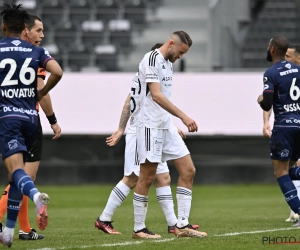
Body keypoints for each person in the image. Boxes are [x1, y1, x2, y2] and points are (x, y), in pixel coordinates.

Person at [95, 43, 198, 236]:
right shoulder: (144, 76)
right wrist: (121, 129)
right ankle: (104, 219)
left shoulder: (151, 78)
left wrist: (171, 127)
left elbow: (151, 106)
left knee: (164, 177)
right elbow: (133, 104)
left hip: (155, 130)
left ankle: (174, 224)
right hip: (140, 131)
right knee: (134, 178)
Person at [132, 31, 207, 239]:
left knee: (188, 170)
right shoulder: (151, 59)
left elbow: (163, 98)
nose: (180, 56)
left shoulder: (168, 63)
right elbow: (155, 95)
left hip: (165, 126)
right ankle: (138, 228)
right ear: (172, 43)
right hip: (149, 126)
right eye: (180, 52)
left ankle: (181, 225)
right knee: (146, 177)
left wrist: (172, 124)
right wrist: (183, 116)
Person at [0, 4, 63, 247]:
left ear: (4, 26)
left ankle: (36, 197)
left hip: (9, 119)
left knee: (17, 173)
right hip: (30, 118)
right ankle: (10, 232)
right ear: (24, 29)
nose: (42, 35)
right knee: (19, 178)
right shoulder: (35, 51)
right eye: (38, 30)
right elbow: (57, 71)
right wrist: (42, 93)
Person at [257, 36, 300, 228]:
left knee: (280, 172)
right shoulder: (298, 71)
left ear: (273, 49)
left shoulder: (271, 73)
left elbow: (267, 103)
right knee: (292, 168)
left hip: (283, 127)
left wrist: (260, 99)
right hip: (299, 124)